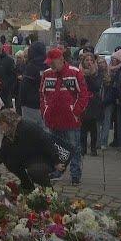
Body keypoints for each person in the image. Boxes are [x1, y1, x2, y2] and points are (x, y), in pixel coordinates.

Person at [39, 48, 89, 185]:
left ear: (61, 60)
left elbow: (84, 95)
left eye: (52, 62)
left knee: (74, 148)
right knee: (55, 148)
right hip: (53, 120)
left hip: (70, 120)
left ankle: (75, 175)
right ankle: (57, 171)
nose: (50, 65)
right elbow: (42, 95)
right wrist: (45, 112)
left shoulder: (75, 72)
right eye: (49, 63)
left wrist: (75, 112)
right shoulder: (47, 74)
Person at [0, 109, 66, 191]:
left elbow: (46, 141)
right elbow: (2, 152)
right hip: (29, 157)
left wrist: (56, 161)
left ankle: (48, 191)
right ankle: (27, 186)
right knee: (9, 161)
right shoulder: (10, 133)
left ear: (8, 121)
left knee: (35, 171)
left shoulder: (27, 127)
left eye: (1, 124)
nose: (0, 127)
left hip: (43, 158)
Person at [19, 41, 47, 128]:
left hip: (30, 105)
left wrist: (21, 103)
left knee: (30, 133)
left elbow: (24, 87)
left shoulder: (31, 66)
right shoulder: (48, 66)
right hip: (45, 105)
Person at [79, 52, 102, 156]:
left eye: (91, 60)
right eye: (87, 60)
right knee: (83, 127)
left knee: (93, 127)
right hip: (84, 101)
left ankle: (93, 148)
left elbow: (96, 87)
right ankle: (82, 147)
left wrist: (90, 76)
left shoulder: (96, 72)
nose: (89, 62)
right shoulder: (79, 72)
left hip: (93, 102)